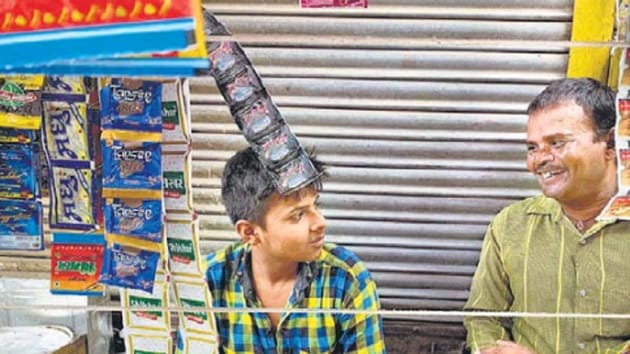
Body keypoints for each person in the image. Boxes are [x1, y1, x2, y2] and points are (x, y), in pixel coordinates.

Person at [464, 78, 630, 354]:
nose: (539, 160)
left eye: (557, 143)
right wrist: (489, 349)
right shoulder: (511, 225)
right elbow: (483, 315)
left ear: (610, 144)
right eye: (532, 147)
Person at [205, 147, 386, 353]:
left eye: (315, 205)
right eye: (298, 215)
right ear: (249, 232)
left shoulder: (345, 279)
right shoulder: (208, 281)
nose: (320, 222)